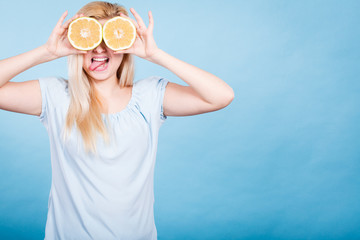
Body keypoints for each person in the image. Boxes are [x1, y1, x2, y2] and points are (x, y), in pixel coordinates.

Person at [0, 1, 234, 239]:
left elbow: (222, 96)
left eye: (110, 40)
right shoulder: (56, 96)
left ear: (125, 46)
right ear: (78, 44)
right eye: (92, 39)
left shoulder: (150, 96)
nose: (100, 50)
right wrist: (45, 52)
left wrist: (156, 55)